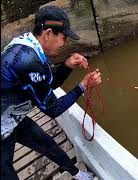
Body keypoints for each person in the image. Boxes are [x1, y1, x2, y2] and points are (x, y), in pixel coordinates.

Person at [1, 6, 101, 180]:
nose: (65, 43)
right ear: (48, 33)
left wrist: (67, 66)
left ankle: (77, 174)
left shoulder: (28, 45)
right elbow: (52, 109)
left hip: (12, 116)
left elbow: (47, 85)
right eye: (63, 37)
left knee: (47, 144)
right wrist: (83, 86)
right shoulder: (29, 62)